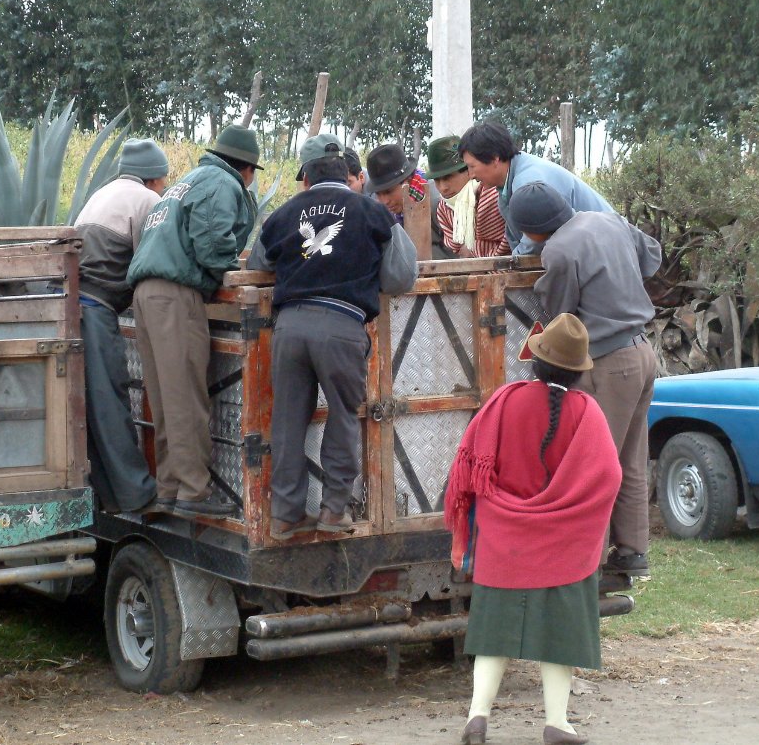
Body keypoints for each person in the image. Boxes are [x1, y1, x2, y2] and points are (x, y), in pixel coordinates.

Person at [444, 312, 621, 745]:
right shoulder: (587, 412)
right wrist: (570, 512)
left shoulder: (506, 400)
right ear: (578, 370)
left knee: (492, 634)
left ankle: (477, 718)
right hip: (564, 545)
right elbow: (609, 476)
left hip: (504, 540)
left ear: (537, 362)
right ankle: (557, 725)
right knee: (560, 637)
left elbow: (467, 466)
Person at [247, 134, 417, 541]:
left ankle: (285, 514)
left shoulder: (285, 214)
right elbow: (399, 278)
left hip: (289, 327)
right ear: (351, 178)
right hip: (341, 327)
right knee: (343, 416)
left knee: (288, 420)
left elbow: (258, 263)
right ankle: (333, 510)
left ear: (305, 181)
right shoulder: (372, 212)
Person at [508, 181, 661, 579]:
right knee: (629, 458)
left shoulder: (559, 250)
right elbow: (652, 257)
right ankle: (632, 552)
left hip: (609, 362)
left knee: (592, 465)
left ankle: (585, 563)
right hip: (644, 352)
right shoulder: (608, 219)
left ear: (530, 229)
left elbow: (562, 317)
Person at [126, 125, 259, 519]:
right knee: (185, 396)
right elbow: (214, 239)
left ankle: (169, 486)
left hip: (146, 294)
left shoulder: (185, 182)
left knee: (165, 397)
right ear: (247, 169)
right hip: (174, 296)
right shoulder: (222, 183)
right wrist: (227, 272)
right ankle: (194, 492)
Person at [73, 137, 166, 513]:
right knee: (111, 403)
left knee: (86, 408)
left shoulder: (103, 193)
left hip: (69, 305)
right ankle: (138, 494)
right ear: (152, 179)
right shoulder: (148, 202)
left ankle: (105, 497)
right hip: (95, 309)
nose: (163, 187)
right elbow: (159, 258)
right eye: (162, 180)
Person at [457, 120, 612, 256]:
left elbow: (537, 239)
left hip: (606, 247)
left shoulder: (528, 183)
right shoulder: (507, 185)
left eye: (472, 166)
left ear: (494, 158)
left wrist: (514, 263)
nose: (470, 175)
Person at [424, 135, 510, 258]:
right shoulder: (443, 209)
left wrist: (474, 249)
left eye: (448, 177)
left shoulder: (492, 195)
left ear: (468, 171)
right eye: (437, 180)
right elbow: (458, 249)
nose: (443, 187)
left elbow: (512, 238)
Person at [365, 143, 453, 260]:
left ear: (407, 181)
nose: (384, 201)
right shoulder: (387, 213)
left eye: (388, 192)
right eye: (378, 194)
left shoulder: (437, 202)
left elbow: (457, 251)